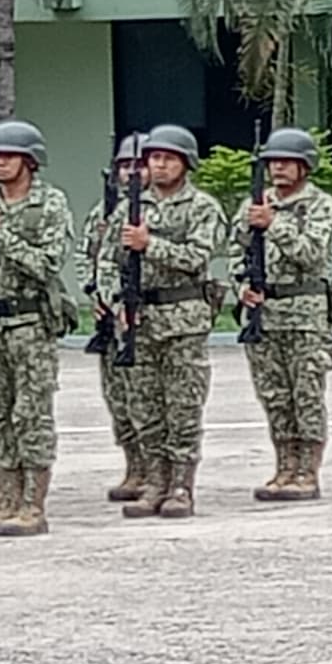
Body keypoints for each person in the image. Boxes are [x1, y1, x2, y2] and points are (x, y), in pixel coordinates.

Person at [0, 121, 75, 537]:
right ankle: (7, 495)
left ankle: (32, 504)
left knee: (31, 415)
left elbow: (47, 263)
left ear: (29, 160)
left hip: (28, 322)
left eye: (7, 156)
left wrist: (1, 234)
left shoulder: (50, 204)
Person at [111, 124, 225, 521]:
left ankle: (181, 486)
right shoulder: (131, 206)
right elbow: (109, 260)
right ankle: (154, 481)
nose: (158, 166)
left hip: (183, 322)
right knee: (144, 408)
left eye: (167, 159)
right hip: (140, 321)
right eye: (154, 158)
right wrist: (116, 300)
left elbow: (197, 257)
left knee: (183, 408)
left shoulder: (202, 207)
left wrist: (150, 245)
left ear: (185, 164)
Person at [238, 128, 332, 501]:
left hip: (305, 318)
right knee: (274, 395)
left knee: (306, 394)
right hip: (264, 316)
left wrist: (275, 224)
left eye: (286, 162)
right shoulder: (255, 203)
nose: (278, 168)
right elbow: (238, 254)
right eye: (273, 162)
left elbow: (312, 254)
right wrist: (241, 286)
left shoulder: (320, 206)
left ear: (305, 166)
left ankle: (307, 471)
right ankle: (284, 465)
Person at [88, 135, 148, 505]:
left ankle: (150, 468)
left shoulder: (150, 210)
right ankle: (132, 464)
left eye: (137, 165)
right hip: (109, 317)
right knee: (117, 399)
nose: (131, 172)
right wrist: (96, 295)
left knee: (143, 397)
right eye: (125, 165)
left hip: (141, 317)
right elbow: (89, 256)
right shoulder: (103, 213)